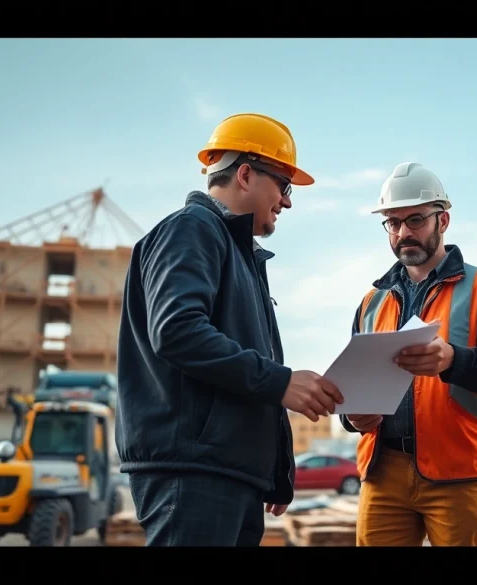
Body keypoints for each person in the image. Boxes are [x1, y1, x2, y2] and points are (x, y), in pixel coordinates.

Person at [115, 112, 345, 546]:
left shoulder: (237, 252)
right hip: (193, 472)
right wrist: (280, 382)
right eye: (284, 185)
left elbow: (240, 361)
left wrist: (274, 467)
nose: (288, 201)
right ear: (244, 174)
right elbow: (178, 331)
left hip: (224, 472)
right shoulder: (192, 230)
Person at [340, 162, 477, 546]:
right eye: (393, 222)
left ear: (444, 220)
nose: (404, 232)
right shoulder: (372, 302)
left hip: (461, 472)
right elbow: (351, 388)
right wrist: (353, 419)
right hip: (382, 474)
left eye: (416, 219)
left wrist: (453, 360)